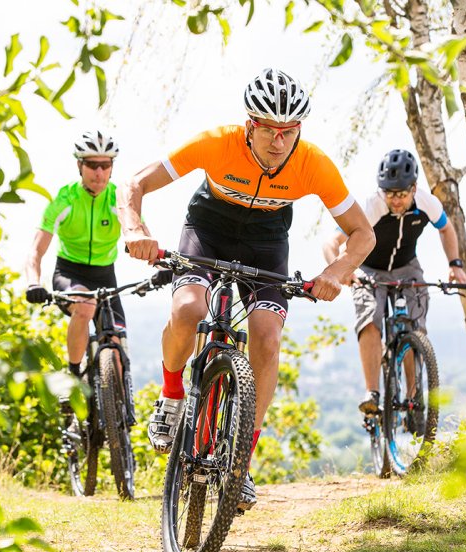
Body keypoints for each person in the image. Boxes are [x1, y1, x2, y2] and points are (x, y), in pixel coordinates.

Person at [118, 68, 375, 510]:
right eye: (270, 131)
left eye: (289, 132)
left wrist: (336, 270)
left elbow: (363, 234)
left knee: (267, 336)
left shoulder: (312, 163)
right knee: (187, 310)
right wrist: (135, 227)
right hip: (207, 229)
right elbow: (135, 183)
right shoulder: (216, 142)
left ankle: (240, 463)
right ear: (249, 126)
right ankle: (173, 393)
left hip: (266, 243)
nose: (280, 142)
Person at [323, 148, 466, 415]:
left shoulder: (427, 203)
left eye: (402, 193)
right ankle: (372, 393)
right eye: (389, 193)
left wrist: (455, 265)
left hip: (407, 267)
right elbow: (331, 242)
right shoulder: (371, 206)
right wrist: (341, 271)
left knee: (415, 324)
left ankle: (413, 398)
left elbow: (446, 229)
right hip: (369, 269)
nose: (396, 200)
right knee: (370, 317)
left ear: (414, 188)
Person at [25, 130, 159, 408]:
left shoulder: (118, 199)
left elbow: (141, 234)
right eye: (92, 165)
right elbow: (36, 251)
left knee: (116, 340)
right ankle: (73, 379)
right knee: (85, 307)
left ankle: (117, 415)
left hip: (104, 275)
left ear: (112, 167)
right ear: (79, 166)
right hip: (69, 273)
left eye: (105, 165)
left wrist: (159, 264)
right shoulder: (64, 200)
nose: (99, 172)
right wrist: (33, 283)